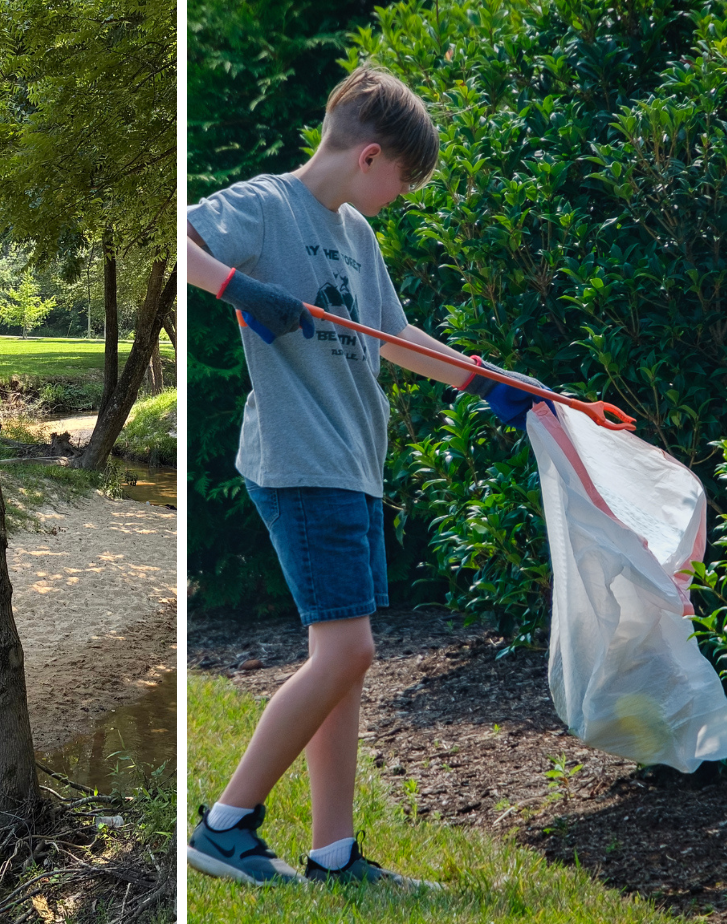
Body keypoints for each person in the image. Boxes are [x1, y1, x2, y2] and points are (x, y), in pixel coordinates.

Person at [184, 65, 552, 887]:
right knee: (349, 652)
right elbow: (179, 244)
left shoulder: (358, 234)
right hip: (300, 460)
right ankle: (224, 825)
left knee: (342, 665)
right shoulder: (269, 203)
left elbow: (394, 336)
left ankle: (334, 853)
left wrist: (495, 384)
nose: (400, 198)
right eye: (403, 183)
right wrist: (239, 286)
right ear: (372, 157)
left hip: (352, 464)